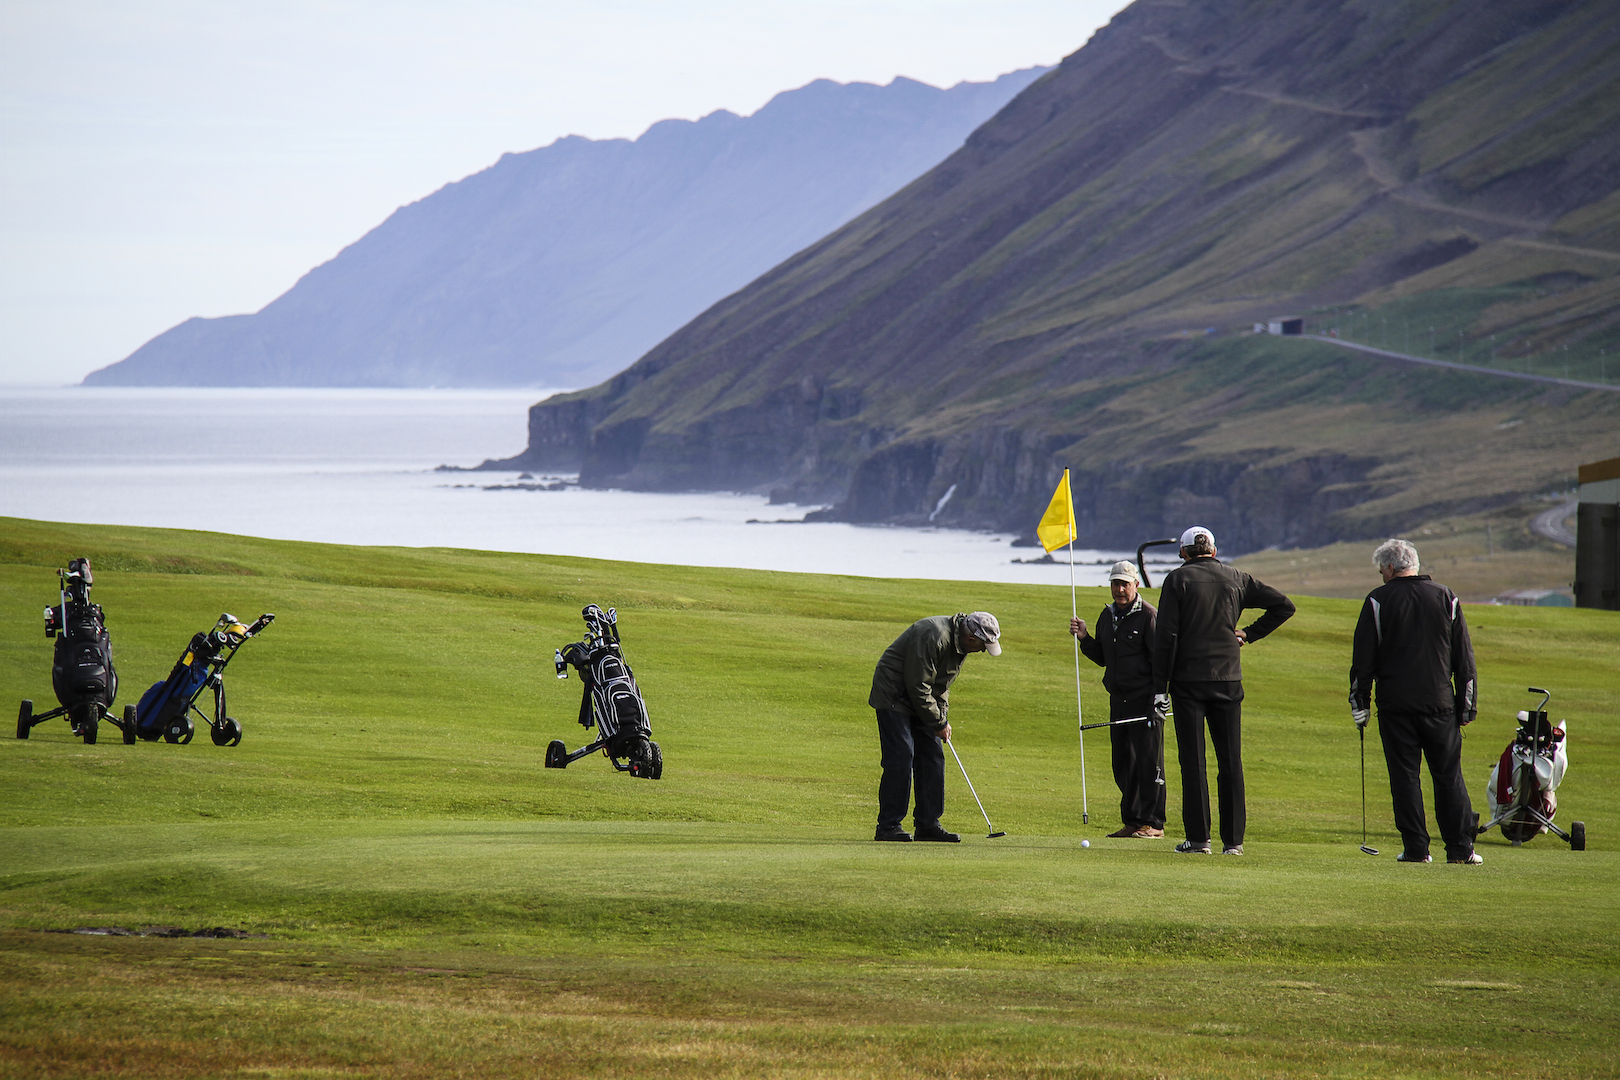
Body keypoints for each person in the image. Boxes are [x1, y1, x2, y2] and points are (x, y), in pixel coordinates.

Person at [1152, 526, 1295, 856]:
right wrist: (1247, 633)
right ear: (1213, 551)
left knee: (1193, 761)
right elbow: (1283, 606)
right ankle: (1234, 842)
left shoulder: (1178, 580)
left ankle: (1199, 839)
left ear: (1184, 553)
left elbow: (1166, 637)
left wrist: (1161, 688)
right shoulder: (1238, 578)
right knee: (1230, 760)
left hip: (1189, 682)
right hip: (1229, 680)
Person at [1349, 538, 1481, 864]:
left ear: (1391, 568)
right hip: (1440, 704)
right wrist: (1467, 706)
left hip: (1395, 707)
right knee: (1448, 776)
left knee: (1405, 777)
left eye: (1382, 570)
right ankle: (1461, 850)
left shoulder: (1378, 600)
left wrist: (1360, 702)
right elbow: (1464, 658)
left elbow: (1363, 660)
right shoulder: (1445, 597)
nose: (1381, 576)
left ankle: (1416, 850)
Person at [868, 611, 1002, 842]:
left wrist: (942, 718)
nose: (982, 650)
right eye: (983, 646)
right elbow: (918, 684)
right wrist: (937, 722)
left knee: (933, 756)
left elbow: (941, 685)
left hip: (920, 697)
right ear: (971, 638)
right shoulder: (934, 635)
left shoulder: (960, 644)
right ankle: (888, 826)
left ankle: (928, 825)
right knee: (901, 756)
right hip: (894, 694)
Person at [1071, 560, 1165, 838]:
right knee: (1124, 762)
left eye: (1124, 584)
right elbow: (1103, 658)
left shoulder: (1149, 616)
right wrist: (1085, 637)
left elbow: (1160, 662)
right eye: (1115, 583)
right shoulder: (1107, 616)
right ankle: (1133, 821)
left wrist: (1158, 698)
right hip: (1119, 700)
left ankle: (1154, 823)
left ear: (1136, 584)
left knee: (1149, 763)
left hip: (1145, 700)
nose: (1120, 589)